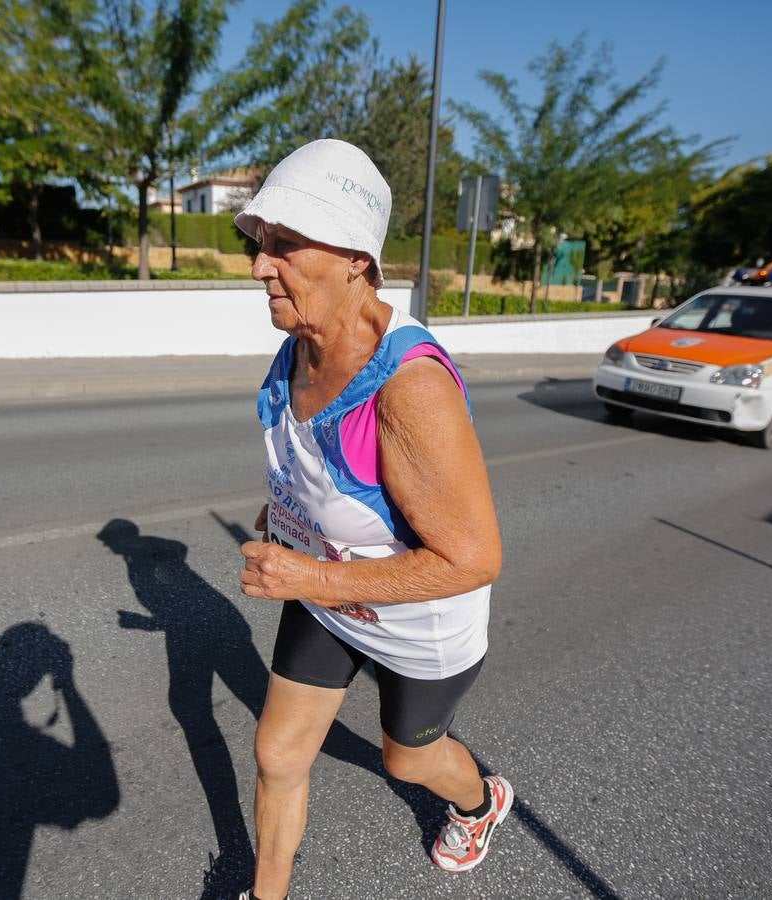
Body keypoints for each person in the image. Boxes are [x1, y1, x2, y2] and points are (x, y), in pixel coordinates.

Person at [231, 139, 509, 900]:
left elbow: (475, 558)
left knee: (407, 759)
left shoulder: (409, 387)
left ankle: (481, 803)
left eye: (285, 244)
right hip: (328, 597)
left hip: (419, 623)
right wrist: (286, 514)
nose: (260, 265)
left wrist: (310, 572)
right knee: (279, 754)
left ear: (357, 258)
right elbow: (319, 464)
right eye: (260, 243)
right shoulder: (300, 345)